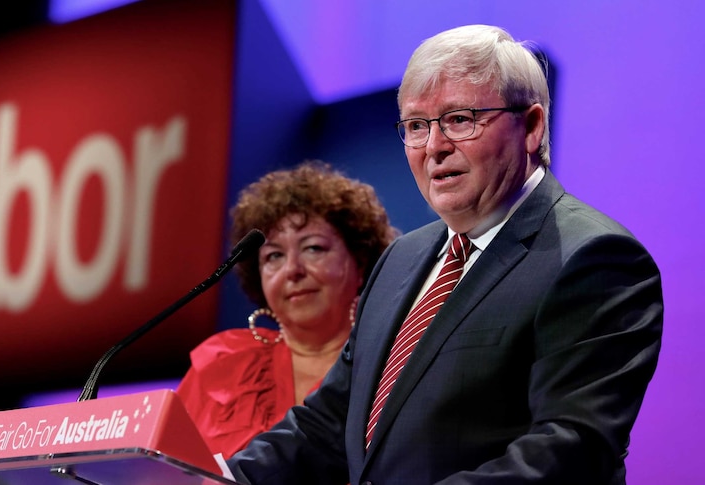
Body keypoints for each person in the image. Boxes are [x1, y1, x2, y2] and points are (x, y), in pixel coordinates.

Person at [226, 24, 663, 485]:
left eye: (460, 119)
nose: (434, 147)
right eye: (416, 126)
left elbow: (571, 449)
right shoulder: (400, 259)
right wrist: (217, 480)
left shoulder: (593, 257)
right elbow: (329, 421)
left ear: (532, 126)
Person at [176, 160, 399, 460]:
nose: (292, 270)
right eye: (274, 256)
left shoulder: (395, 361)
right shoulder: (219, 367)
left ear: (359, 262)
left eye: (313, 248)